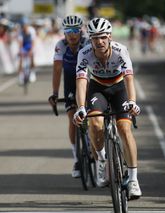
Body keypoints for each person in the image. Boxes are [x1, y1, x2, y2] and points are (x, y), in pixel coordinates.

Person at [73, 17, 142, 199]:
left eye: (103, 37)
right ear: (90, 39)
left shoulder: (121, 51)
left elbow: (129, 79)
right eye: (95, 38)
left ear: (109, 36)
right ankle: (102, 160)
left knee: (124, 129)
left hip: (119, 88)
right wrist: (81, 107)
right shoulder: (85, 53)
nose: (99, 41)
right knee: (95, 124)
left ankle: (134, 180)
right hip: (98, 88)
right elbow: (81, 82)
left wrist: (133, 102)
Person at [48, 15, 90, 178]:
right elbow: (57, 70)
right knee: (73, 118)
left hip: (88, 79)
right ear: (64, 32)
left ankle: (93, 145)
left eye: (75, 31)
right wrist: (55, 93)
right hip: (71, 81)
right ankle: (77, 158)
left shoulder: (87, 42)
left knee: (92, 116)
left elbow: (93, 68)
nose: (72, 34)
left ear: (81, 31)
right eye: (68, 31)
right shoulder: (61, 45)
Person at [17, 17, 36, 85]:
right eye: (22, 26)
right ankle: (20, 76)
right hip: (24, 45)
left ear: (27, 25)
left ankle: (32, 72)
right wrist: (21, 51)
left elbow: (33, 42)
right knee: (20, 58)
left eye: (25, 25)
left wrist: (31, 50)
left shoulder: (32, 30)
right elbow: (20, 43)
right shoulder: (20, 31)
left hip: (30, 44)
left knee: (32, 56)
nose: (24, 27)